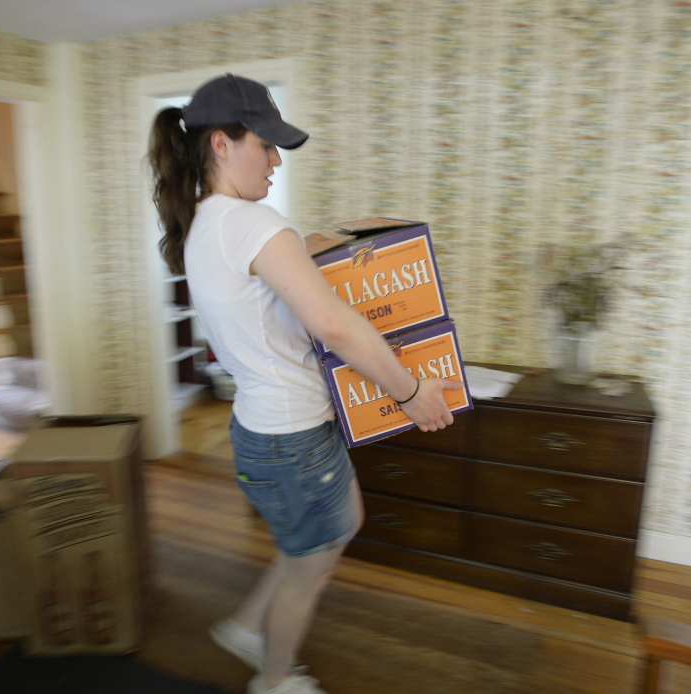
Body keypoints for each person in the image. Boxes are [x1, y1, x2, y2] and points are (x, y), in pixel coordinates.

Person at [147, 73, 464, 694]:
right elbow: (332, 324)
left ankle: (245, 626)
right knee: (313, 560)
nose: (274, 158)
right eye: (264, 144)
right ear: (221, 144)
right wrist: (409, 392)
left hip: (258, 433)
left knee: (308, 542)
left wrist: (309, 246)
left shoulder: (205, 229)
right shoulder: (252, 222)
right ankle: (274, 678)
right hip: (293, 437)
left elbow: (265, 286)